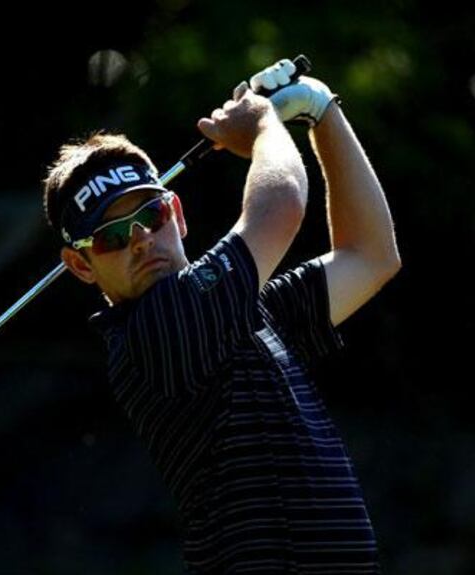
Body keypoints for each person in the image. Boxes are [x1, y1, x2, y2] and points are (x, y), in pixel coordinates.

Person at [41, 58, 400, 574]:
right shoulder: (156, 331)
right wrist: (262, 125)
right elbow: (281, 206)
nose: (141, 240)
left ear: (177, 214)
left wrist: (322, 111)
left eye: (152, 215)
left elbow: (372, 255)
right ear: (81, 265)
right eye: (112, 237)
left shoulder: (249, 312)